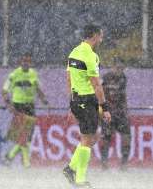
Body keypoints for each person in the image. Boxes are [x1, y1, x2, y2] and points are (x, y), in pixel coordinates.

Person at [63, 24, 111, 189]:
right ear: (95, 36)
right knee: (87, 139)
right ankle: (79, 179)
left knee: (90, 137)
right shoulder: (91, 56)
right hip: (87, 100)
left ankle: (70, 169)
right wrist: (104, 107)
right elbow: (97, 85)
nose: (102, 39)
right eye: (101, 36)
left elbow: (69, 79)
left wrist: (71, 103)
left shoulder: (73, 52)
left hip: (76, 99)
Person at [2, 53, 48, 168]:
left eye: (28, 61)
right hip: (18, 106)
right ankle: (26, 163)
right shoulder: (14, 75)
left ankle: (10, 156)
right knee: (23, 134)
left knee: (27, 135)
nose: (26, 63)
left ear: (30, 63)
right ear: (20, 62)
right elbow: (4, 91)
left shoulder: (33, 74)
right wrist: (9, 104)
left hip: (30, 106)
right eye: (24, 61)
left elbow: (38, 88)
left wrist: (43, 99)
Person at [99, 57, 131, 170]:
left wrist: (125, 110)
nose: (120, 70)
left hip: (120, 113)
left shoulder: (123, 78)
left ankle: (124, 163)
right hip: (108, 112)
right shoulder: (105, 78)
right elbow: (99, 93)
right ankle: (104, 163)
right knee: (106, 137)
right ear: (113, 67)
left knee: (127, 136)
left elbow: (123, 95)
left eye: (122, 68)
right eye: (118, 68)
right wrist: (101, 110)